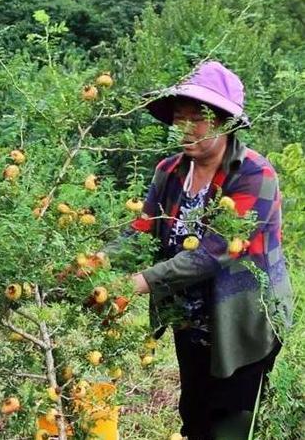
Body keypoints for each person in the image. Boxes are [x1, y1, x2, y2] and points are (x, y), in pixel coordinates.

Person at [105, 61, 293, 439]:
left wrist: (136, 283)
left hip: (243, 321)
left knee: (230, 425)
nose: (186, 127)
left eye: (198, 118)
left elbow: (213, 253)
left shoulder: (254, 175)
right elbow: (141, 232)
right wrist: (98, 263)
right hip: (189, 320)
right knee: (194, 415)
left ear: (224, 122)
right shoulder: (169, 171)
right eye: (180, 117)